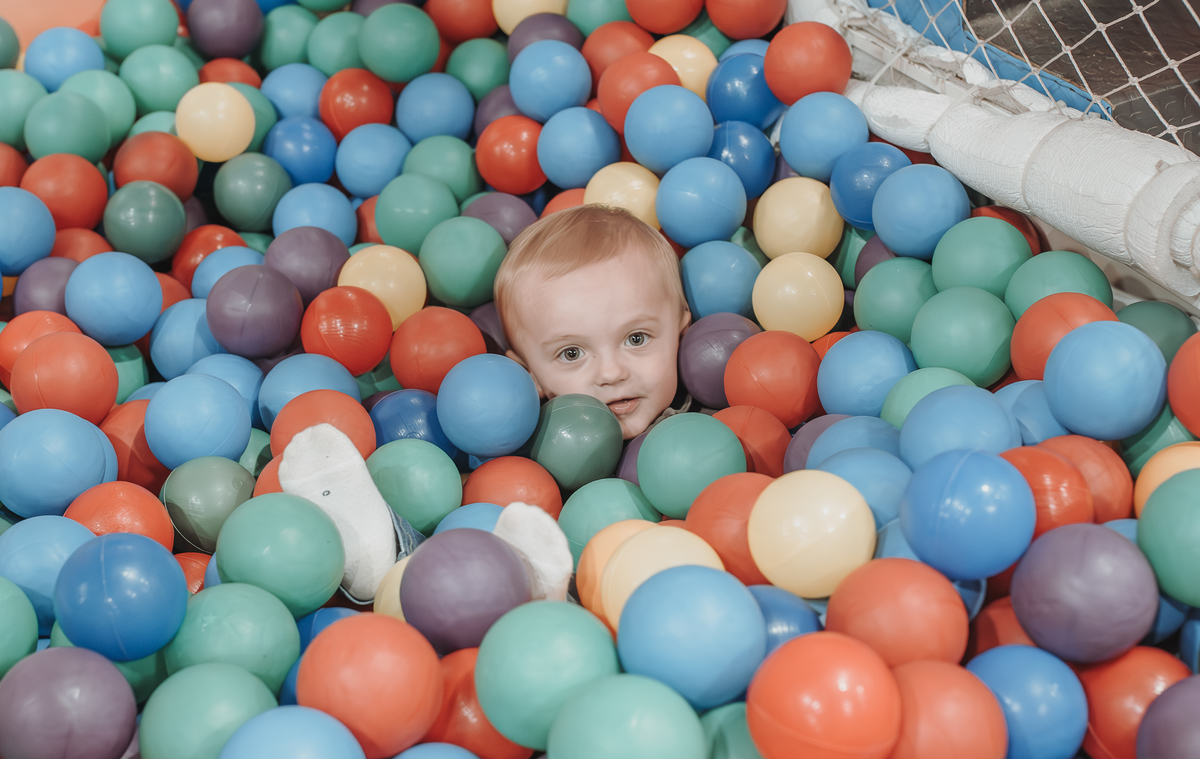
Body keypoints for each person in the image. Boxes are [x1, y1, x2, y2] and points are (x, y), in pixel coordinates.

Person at [494, 204, 691, 440]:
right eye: (571, 353)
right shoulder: (526, 452)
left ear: (681, 334)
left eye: (636, 338)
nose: (611, 373)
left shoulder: (714, 425)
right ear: (528, 375)